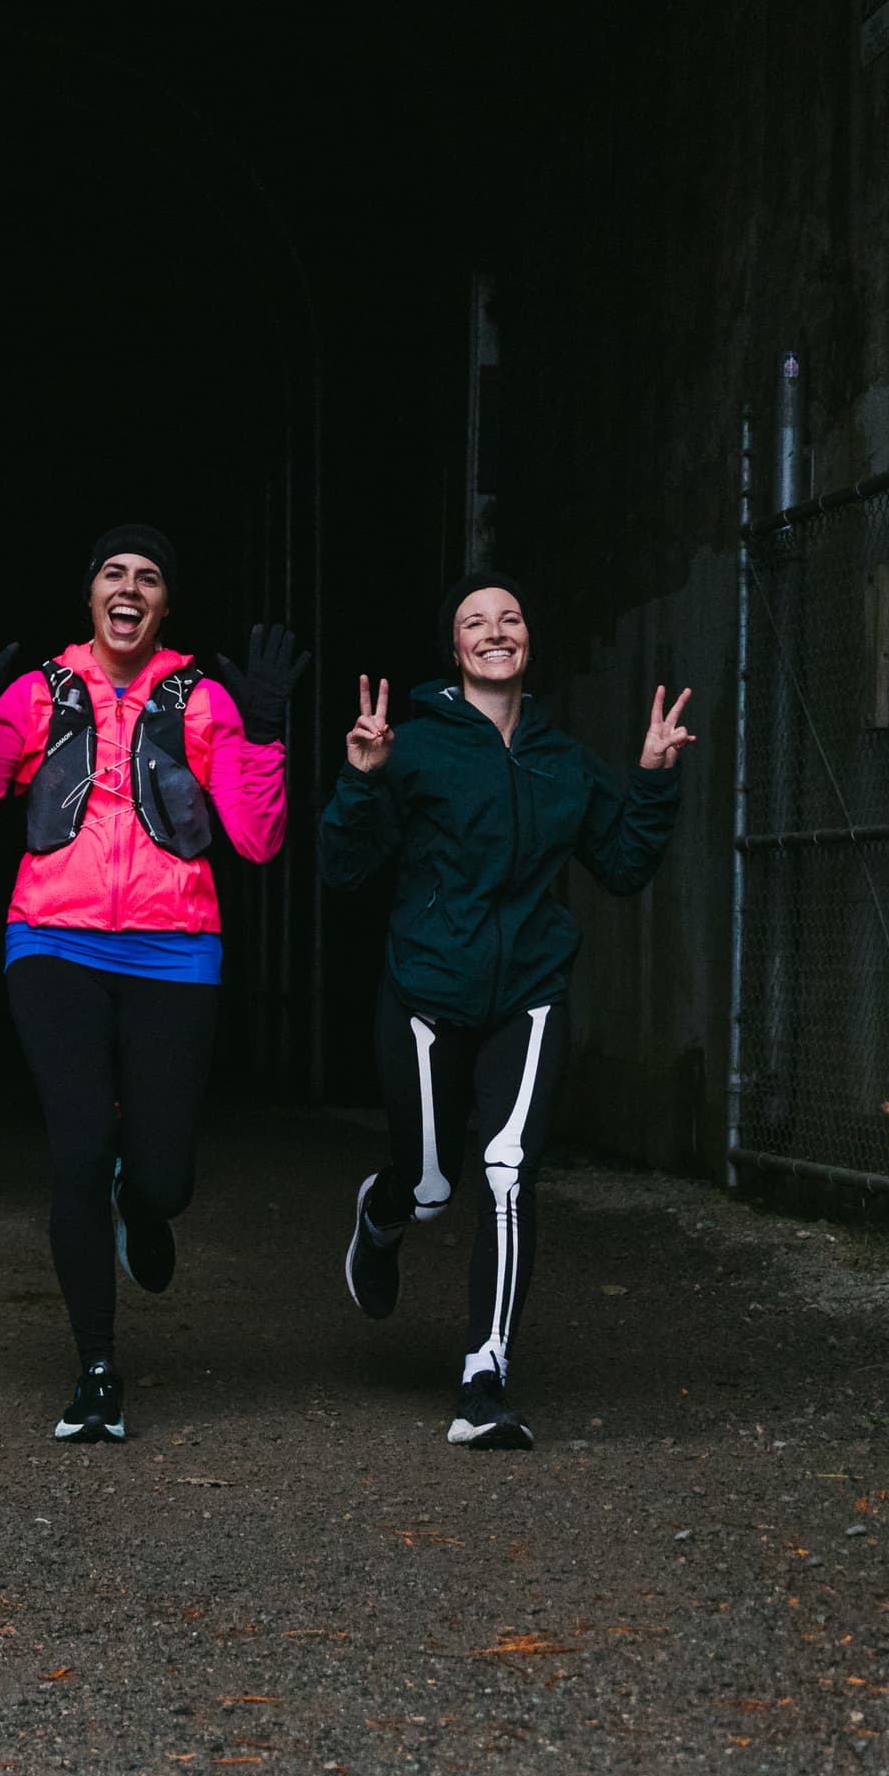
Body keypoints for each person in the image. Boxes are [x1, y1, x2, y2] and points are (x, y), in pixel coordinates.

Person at [0, 529, 296, 1443]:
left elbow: (256, 839)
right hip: (54, 941)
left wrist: (267, 735)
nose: (129, 588)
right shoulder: (38, 693)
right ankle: (96, 1370)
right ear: (89, 597)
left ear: (165, 606)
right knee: (79, 1148)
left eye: (150, 578)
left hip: (176, 948)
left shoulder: (203, 699)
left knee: (164, 1177)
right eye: (113, 574)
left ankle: (147, 1204)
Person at [322, 577, 692, 1448]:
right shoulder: (410, 748)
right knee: (430, 1188)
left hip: (528, 993)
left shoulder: (563, 758)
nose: (496, 632)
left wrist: (650, 781)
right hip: (425, 995)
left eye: (512, 618)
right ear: (455, 650)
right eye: (475, 623)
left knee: (506, 1171)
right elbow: (345, 870)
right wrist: (361, 779)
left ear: (528, 641)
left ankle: (484, 1378)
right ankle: (383, 1216)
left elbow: (623, 864)